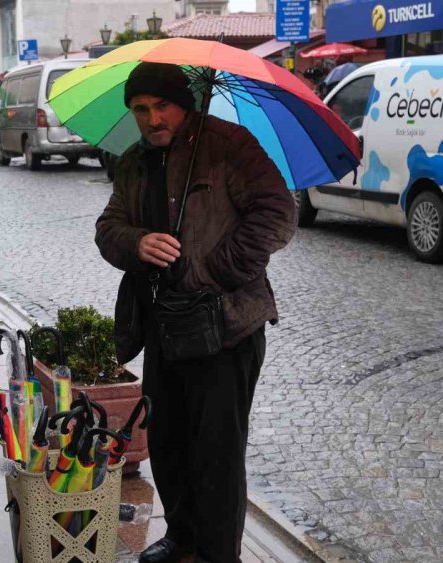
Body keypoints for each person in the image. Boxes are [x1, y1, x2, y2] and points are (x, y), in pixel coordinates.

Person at [95, 62, 296, 563]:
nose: (152, 118)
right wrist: (137, 243)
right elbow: (108, 227)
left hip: (226, 323)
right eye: (141, 109)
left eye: (162, 106)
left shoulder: (231, 146)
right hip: (164, 324)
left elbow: (277, 215)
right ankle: (182, 536)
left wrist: (213, 269)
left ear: (184, 105)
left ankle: (216, 552)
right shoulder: (134, 162)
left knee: (217, 452)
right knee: (167, 441)